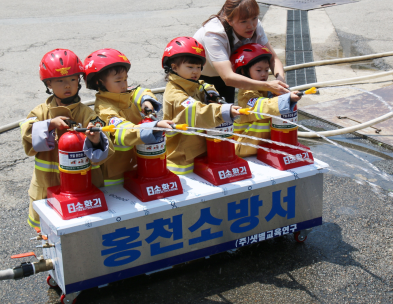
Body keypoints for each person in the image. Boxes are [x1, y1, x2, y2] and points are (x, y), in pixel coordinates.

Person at [20, 49, 112, 229]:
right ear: (48, 84)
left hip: (82, 186)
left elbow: (106, 143)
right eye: (60, 81)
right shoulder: (40, 112)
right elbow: (26, 131)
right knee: (46, 231)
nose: (67, 85)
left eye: (72, 79)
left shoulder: (87, 114)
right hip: (47, 184)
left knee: (82, 228)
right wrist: (49, 125)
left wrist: (95, 140)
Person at [84, 48, 173, 186]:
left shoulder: (123, 94)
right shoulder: (104, 110)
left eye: (125, 79)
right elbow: (123, 130)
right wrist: (153, 126)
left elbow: (139, 91)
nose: (124, 84)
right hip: (117, 174)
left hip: (137, 164)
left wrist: (146, 100)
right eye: (118, 80)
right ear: (99, 82)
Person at [162, 36, 241, 175]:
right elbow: (195, 110)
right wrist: (222, 111)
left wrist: (212, 93)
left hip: (201, 152)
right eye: (190, 67)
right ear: (174, 67)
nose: (195, 71)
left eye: (198, 67)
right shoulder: (175, 94)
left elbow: (205, 85)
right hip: (183, 160)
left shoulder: (192, 84)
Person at [193, 0, 289, 103]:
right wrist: (268, 86)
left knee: (228, 114)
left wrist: (280, 80)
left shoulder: (255, 26)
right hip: (200, 77)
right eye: (243, 21)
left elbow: (273, 58)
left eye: (254, 18)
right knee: (206, 115)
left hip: (231, 75)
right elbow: (228, 77)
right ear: (229, 21)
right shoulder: (214, 34)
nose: (251, 26)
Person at [230, 43, 301, 157]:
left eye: (266, 70)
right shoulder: (246, 93)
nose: (264, 74)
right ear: (244, 71)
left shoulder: (265, 89)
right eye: (259, 70)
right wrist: (285, 100)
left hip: (262, 144)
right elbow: (261, 107)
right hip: (245, 146)